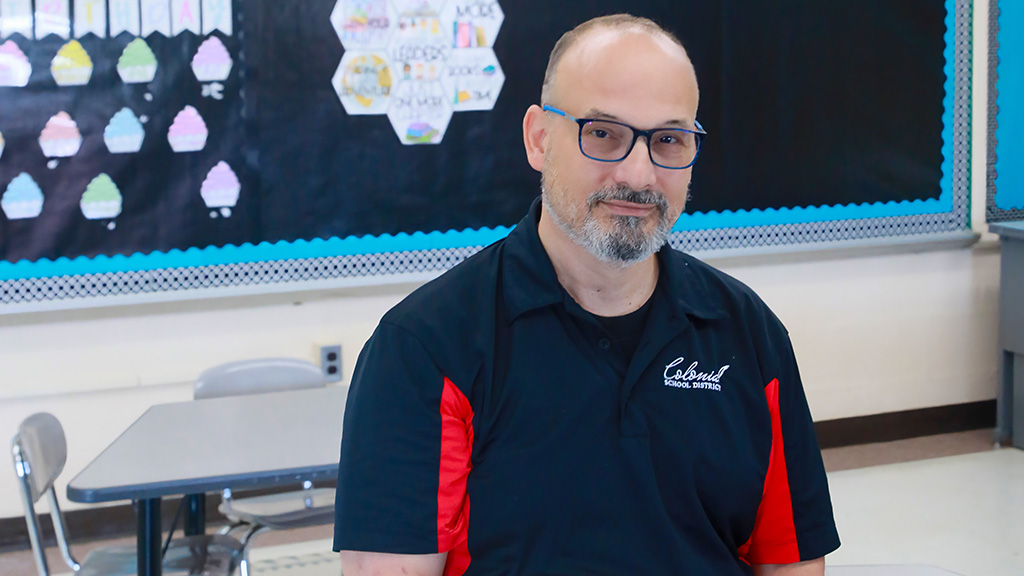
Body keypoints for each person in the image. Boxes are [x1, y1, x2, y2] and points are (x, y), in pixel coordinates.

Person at [334, 14, 840, 576]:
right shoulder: (425, 349)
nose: (640, 173)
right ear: (538, 139)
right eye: (603, 133)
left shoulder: (748, 333)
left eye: (668, 140)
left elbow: (790, 559)